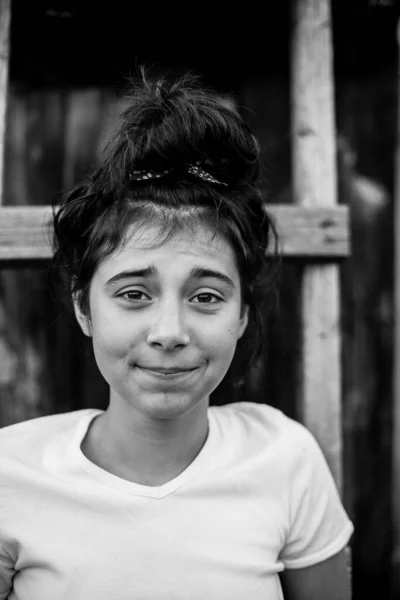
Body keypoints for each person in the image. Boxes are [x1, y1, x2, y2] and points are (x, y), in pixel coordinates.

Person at [0, 70, 353, 600]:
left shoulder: (285, 460)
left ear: (242, 315)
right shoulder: (10, 474)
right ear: (84, 308)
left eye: (206, 297)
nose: (170, 333)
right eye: (134, 294)